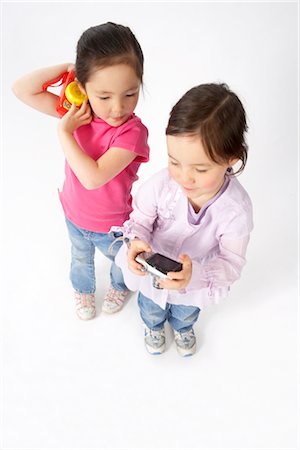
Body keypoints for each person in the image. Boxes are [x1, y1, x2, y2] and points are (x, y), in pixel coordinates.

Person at [12, 22, 149, 320]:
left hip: (113, 225)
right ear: (83, 88)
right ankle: (84, 292)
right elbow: (21, 89)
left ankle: (118, 285)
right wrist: (67, 68)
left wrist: (65, 133)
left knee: (122, 262)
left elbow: (93, 176)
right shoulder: (80, 114)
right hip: (73, 214)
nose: (117, 107)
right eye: (104, 96)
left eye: (130, 93)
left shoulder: (131, 133)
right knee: (79, 259)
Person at [114, 83, 253, 357]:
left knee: (186, 312)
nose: (183, 177)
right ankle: (153, 326)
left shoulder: (235, 210)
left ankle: (182, 328)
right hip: (152, 275)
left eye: (200, 169)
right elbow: (139, 220)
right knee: (150, 307)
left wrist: (195, 276)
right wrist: (136, 242)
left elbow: (232, 262)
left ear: (230, 160)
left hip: (193, 284)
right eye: (174, 161)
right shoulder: (161, 185)